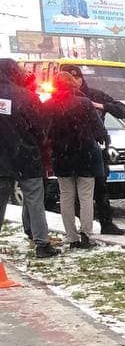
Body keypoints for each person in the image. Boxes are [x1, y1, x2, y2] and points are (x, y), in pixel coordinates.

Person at [0, 59, 59, 258]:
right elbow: (41, 126)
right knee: (34, 201)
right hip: (27, 157)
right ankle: (42, 244)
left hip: (1, 160)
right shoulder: (26, 97)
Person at [61, 64, 125, 235]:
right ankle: (79, 230)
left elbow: (121, 110)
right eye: (70, 77)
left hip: (94, 149)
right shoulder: (58, 99)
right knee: (74, 195)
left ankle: (105, 223)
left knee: (100, 188)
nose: (74, 81)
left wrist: (101, 106)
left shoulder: (94, 95)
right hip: (68, 150)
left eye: (77, 77)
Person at [46, 70, 106, 249]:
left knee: (66, 197)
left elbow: (46, 131)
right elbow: (98, 127)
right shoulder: (84, 103)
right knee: (86, 196)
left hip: (62, 156)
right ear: (73, 84)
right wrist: (102, 138)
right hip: (86, 154)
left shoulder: (49, 105)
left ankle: (72, 237)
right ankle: (86, 234)